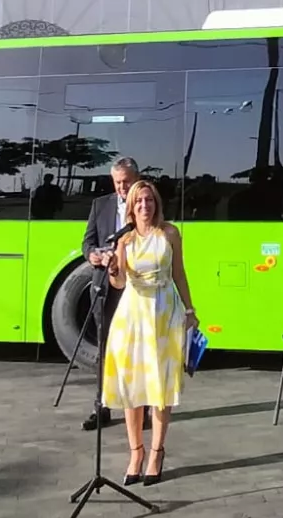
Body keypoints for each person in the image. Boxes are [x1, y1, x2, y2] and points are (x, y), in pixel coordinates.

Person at [103, 180, 196, 486]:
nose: (145, 206)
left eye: (149, 200)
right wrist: (114, 269)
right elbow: (118, 284)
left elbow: (179, 271)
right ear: (131, 207)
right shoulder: (125, 240)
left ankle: (156, 451)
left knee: (160, 387)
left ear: (156, 204)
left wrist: (190, 309)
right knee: (132, 388)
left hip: (163, 314)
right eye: (139, 201)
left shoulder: (169, 233)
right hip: (132, 315)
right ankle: (136, 452)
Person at [80, 157, 140, 430]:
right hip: (105, 285)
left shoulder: (146, 204)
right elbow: (88, 241)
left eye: (126, 181)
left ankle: (143, 407)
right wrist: (93, 256)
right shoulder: (99, 205)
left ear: (136, 178)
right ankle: (101, 406)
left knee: (139, 348)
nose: (122, 187)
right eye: (117, 182)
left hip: (138, 288)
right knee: (105, 346)